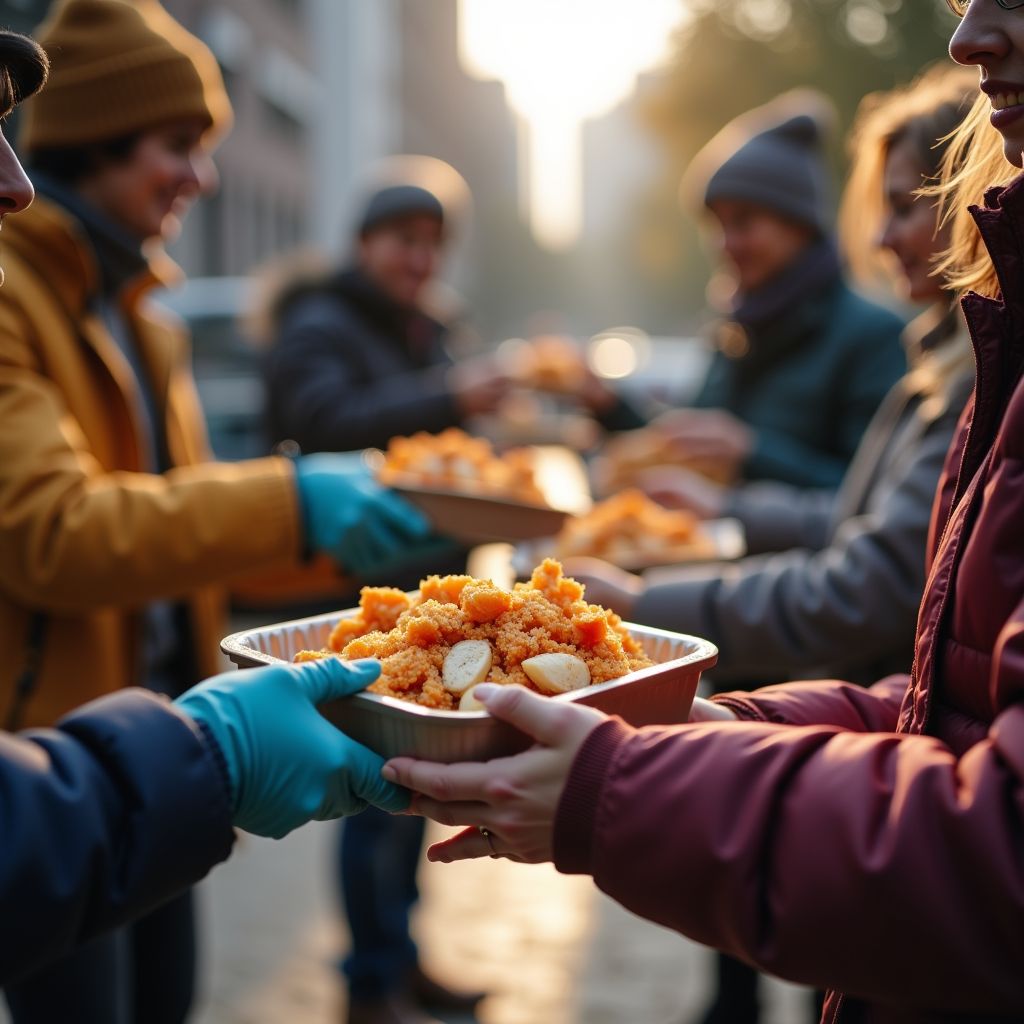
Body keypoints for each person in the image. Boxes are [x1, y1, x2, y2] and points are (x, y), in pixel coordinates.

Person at [381, 5, 1024, 1019]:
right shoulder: (797, 335)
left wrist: (640, 696)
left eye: (916, 201)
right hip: (801, 723)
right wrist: (696, 722)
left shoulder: (911, 349)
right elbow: (943, 696)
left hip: (799, 678)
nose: (970, 34)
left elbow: (877, 570)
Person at [0, 2, 434, 1022]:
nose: (200, 177)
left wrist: (383, 570)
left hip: (161, 746)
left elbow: (184, 552)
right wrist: (294, 499)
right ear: (93, 142)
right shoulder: (13, 291)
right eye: (177, 145)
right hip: (50, 755)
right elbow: (53, 533)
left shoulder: (144, 318)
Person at [652, 93, 907, 489]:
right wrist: (606, 405)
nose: (725, 244)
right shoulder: (732, 330)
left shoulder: (874, 336)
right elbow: (683, 443)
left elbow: (871, 497)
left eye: (743, 222)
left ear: (800, 224)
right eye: (716, 226)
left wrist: (749, 451)